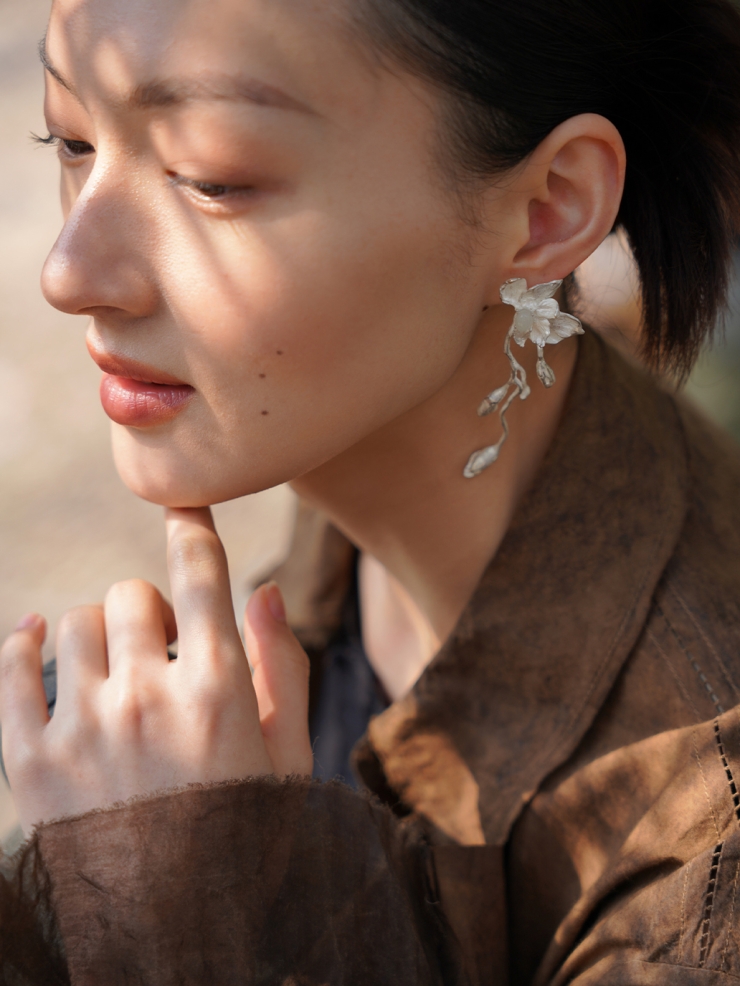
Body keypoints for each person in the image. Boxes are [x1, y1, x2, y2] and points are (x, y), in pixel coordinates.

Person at [1, 0, 740, 982]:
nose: (68, 270)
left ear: (547, 209)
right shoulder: (389, 455)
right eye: (74, 140)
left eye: (209, 176)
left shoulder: (695, 851)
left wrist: (179, 904)